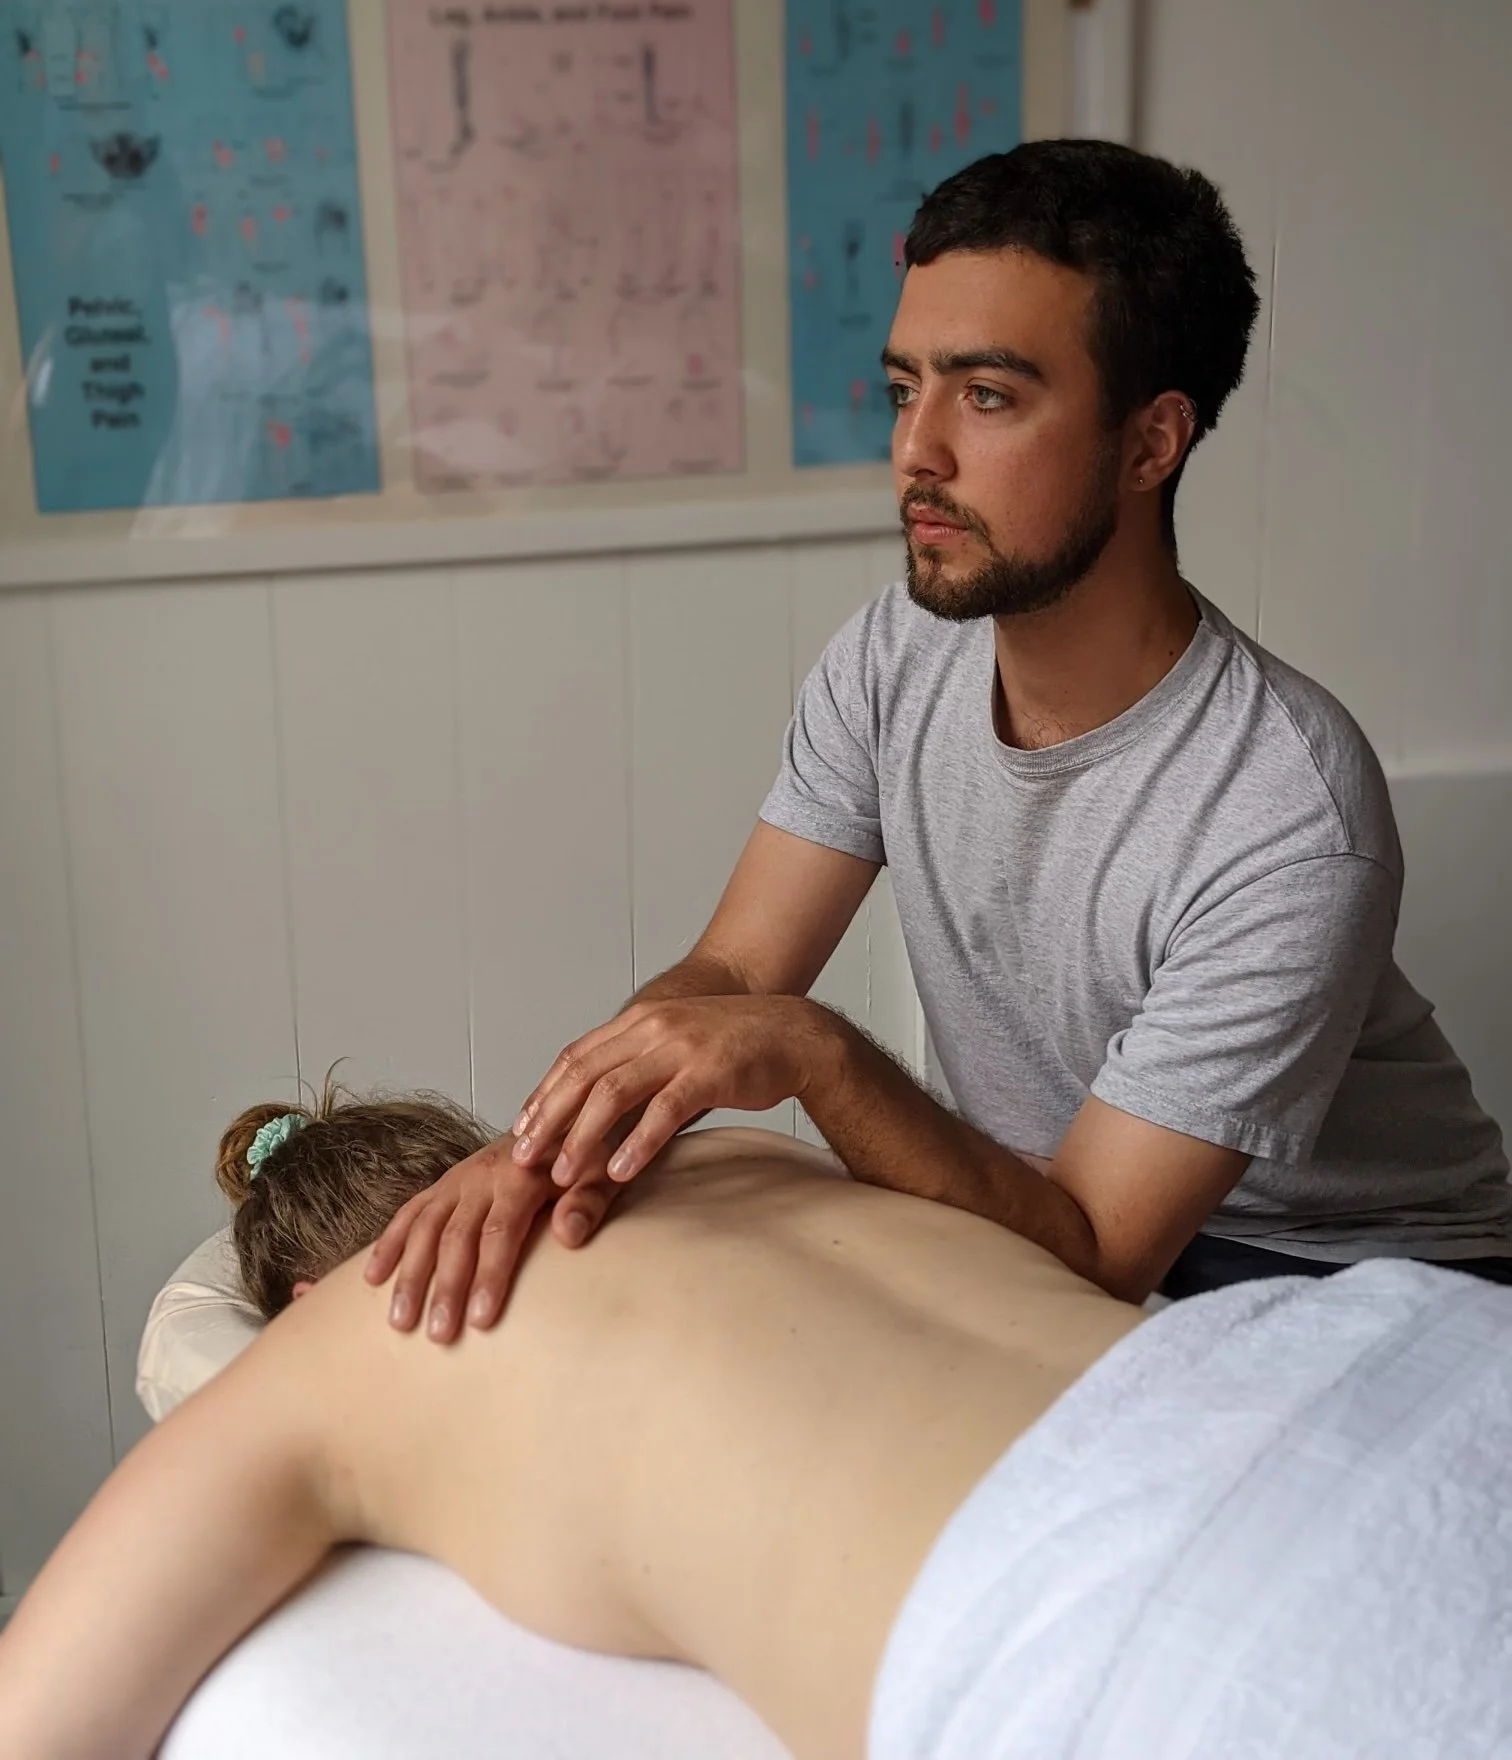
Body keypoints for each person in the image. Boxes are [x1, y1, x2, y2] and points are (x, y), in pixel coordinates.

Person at [367, 138, 1512, 1342]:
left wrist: (816, 1054)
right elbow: (737, 977)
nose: (918, 450)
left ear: (1150, 443)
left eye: (988, 395)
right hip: (1069, 1225)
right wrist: (531, 1152)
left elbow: (1100, 1255)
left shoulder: (1286, 808)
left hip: (1362, 1285)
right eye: (906, 388)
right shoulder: (894, 656)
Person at [5, 1091, 1511, 1760]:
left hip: (1164, 1628)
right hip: (1390, 1357)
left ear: (321, 1282)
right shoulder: (719, 1146)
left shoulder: (343, 1347)